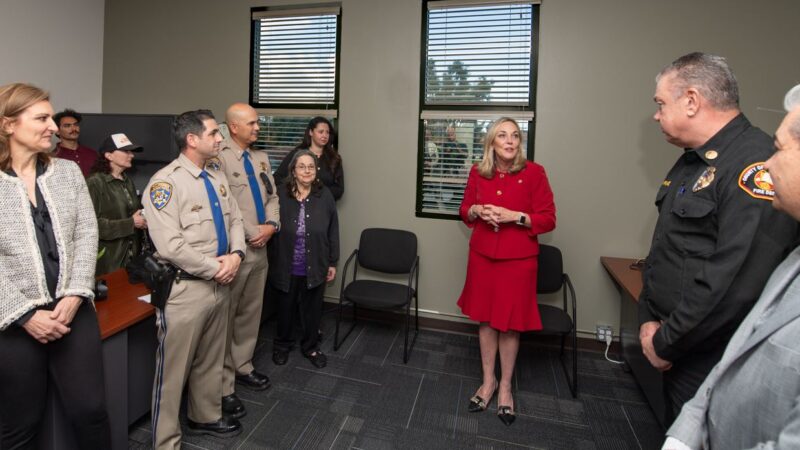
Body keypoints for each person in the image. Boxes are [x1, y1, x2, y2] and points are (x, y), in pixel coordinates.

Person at [639, 52, 800, 426]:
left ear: (691, 101)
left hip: (708, 354)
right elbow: (670, 247)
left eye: (661, 103)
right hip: (677, 341)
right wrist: (648, 316)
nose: (657, 115)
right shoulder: (694, 160)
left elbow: (735, 280)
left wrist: (665, 342)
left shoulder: (753, 164)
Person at [0, 83, 111, 448]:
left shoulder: (67, 172)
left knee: (91, 411)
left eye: (52, 118)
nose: (53, 126)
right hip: (13, 321)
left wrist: (76, 293)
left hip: (71, 309)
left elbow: (87, 233)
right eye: (42, 118)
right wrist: (24, 314)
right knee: (20, 423)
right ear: (8, 124)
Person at [143, 110, 247, 448]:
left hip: (220, 283)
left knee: (211, 359)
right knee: (172, 374)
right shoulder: (165, 183)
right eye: (214, 133)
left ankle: (204, 415)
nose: (220, 138)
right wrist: (216, 267)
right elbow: (171, 246)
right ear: (192, 139)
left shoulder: (215, 175)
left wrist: (236, 255)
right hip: (186, 289)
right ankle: (165, 441)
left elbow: (235, 220)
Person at [457, 117, 556, 426]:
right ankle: (488, 382)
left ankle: (506, 388)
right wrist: (477, 210)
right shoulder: (478, 171)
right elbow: (464, 210)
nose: (510, 140)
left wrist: (517, 216)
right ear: (492, 143)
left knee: (510, 324)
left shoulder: (535, 172)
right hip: (483, 257)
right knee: (486, 320)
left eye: (515, 135)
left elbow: (549, 219)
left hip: (518, 261)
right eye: (502, 135)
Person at [215, 103, 280, 419]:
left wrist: (272, 225)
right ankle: (223, 385)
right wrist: (255, 232)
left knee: (251, 313)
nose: (258, 127)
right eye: (252, 123)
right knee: (226, 319)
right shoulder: (219, 158)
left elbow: (273, 197)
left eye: (258, 122)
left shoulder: (260, 158)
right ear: (234, 127)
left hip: (261, 247)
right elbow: (225, 205)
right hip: (237, 249)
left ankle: (243, 365)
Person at [268, 149, 339, 368]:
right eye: (302, 167)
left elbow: (333, 229)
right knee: (285, 309)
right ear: (293, 170)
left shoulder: (324, 195)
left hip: (315, 263)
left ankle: (311, 347)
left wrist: (332, 261)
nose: (307, 171)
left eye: (311, 166)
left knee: (312, 311)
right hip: (286, 263)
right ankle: (282, 345)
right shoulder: (280, 194)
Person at [86, 133, 146, 276]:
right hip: (108, 262)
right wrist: (131, 223)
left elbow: (133, 214)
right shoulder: (94, 183)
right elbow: (91, 225)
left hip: (130, 259)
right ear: (109, 156)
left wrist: (143, 220)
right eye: (126, 151)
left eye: (131, 152)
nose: (131, 155)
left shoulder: (127, 181)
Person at [275, 116, 344, 201]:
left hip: (324, 206)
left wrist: (319, 195)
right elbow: (277, 178)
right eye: (321, 132)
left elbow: (339, 189)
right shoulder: (297, 154)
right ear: (311, 132)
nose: (325, 135)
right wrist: (296, 191)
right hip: (297, 205)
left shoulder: (334, 158)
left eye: (327, 132)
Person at [53, 108, 97, 177]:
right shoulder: (53, 157)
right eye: (67, 126)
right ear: (57, 131)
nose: (74, 129)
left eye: (76, 124)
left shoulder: (92, 154)